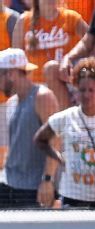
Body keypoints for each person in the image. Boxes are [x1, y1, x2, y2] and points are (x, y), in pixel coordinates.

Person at [34, 56, 95, 208]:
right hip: (72, 198)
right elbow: (40, 139)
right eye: (82, 90)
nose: (86, 95)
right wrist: (58, 158)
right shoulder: (65, 117)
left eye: (91, 90)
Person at [0, 49, 59, 208]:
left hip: (34, 189)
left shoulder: (43, 97)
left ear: (11, 74)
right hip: (8, 184)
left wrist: (47, 180)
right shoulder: (11, 102)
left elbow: (55, 142)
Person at [15, 0, 88, 110]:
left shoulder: (71, 17)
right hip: (35, 87)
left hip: (66, 84)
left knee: (51, 68)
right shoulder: (24, 20)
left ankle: (67, 122)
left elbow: (92, 43)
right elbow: (16, 59)